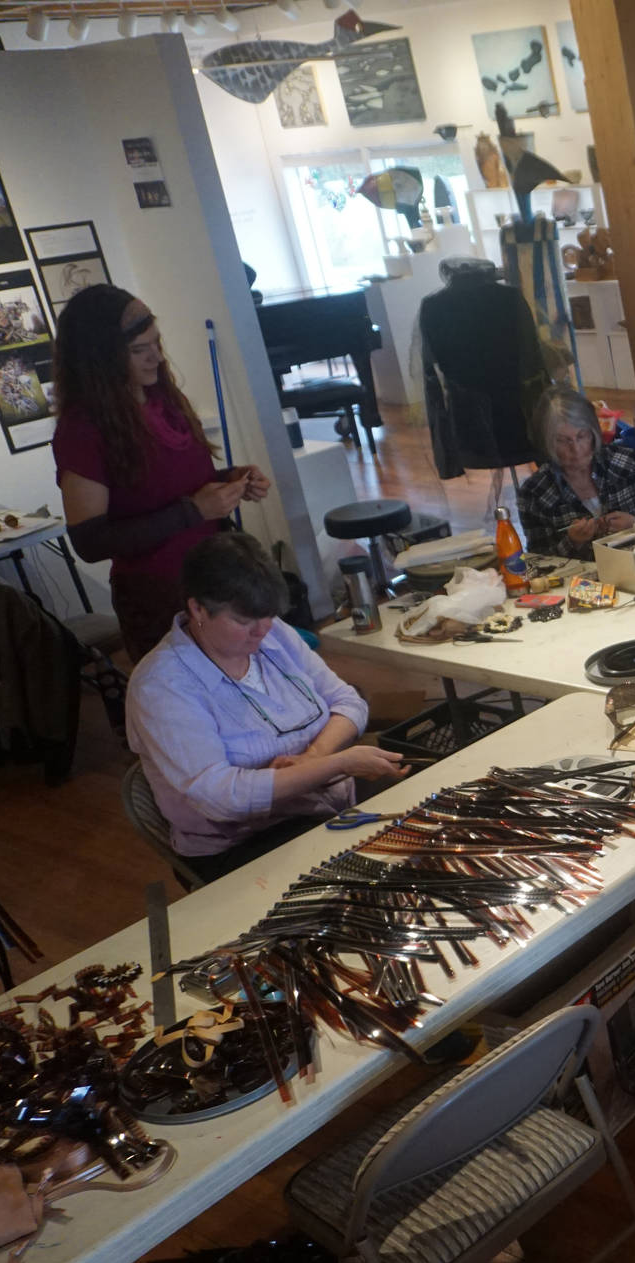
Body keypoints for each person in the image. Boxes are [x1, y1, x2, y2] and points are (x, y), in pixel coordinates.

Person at [128, 533, 408, 884]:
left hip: (328, 804)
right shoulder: (162, 685)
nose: (262, 631)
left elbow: (347, 701)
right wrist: (336, 763)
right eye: (244, 621)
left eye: (268, 616)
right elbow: (220, 797)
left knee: (431, 818)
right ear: (198, 608)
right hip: (244, 845)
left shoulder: (271, 632)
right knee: (382, 883)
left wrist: (315, 756)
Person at [53, 285, 271, 661]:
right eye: (139, 350)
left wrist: (232, 479)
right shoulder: (82, 430)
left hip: (216, 577)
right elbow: (89, 542)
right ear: (101, 358)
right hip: (158, 595)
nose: (156, 356)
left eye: (157, 342)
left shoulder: (161, 396)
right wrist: (194, 510)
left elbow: (173, 484)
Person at [515, 387, 635, 559]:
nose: (575, 449)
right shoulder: (534, 492)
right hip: (582, 583)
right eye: (562, 441)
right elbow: (539, 562)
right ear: (546, 443)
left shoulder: (629, 464)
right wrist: (572, 542)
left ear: (594, 432)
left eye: (582, 436)